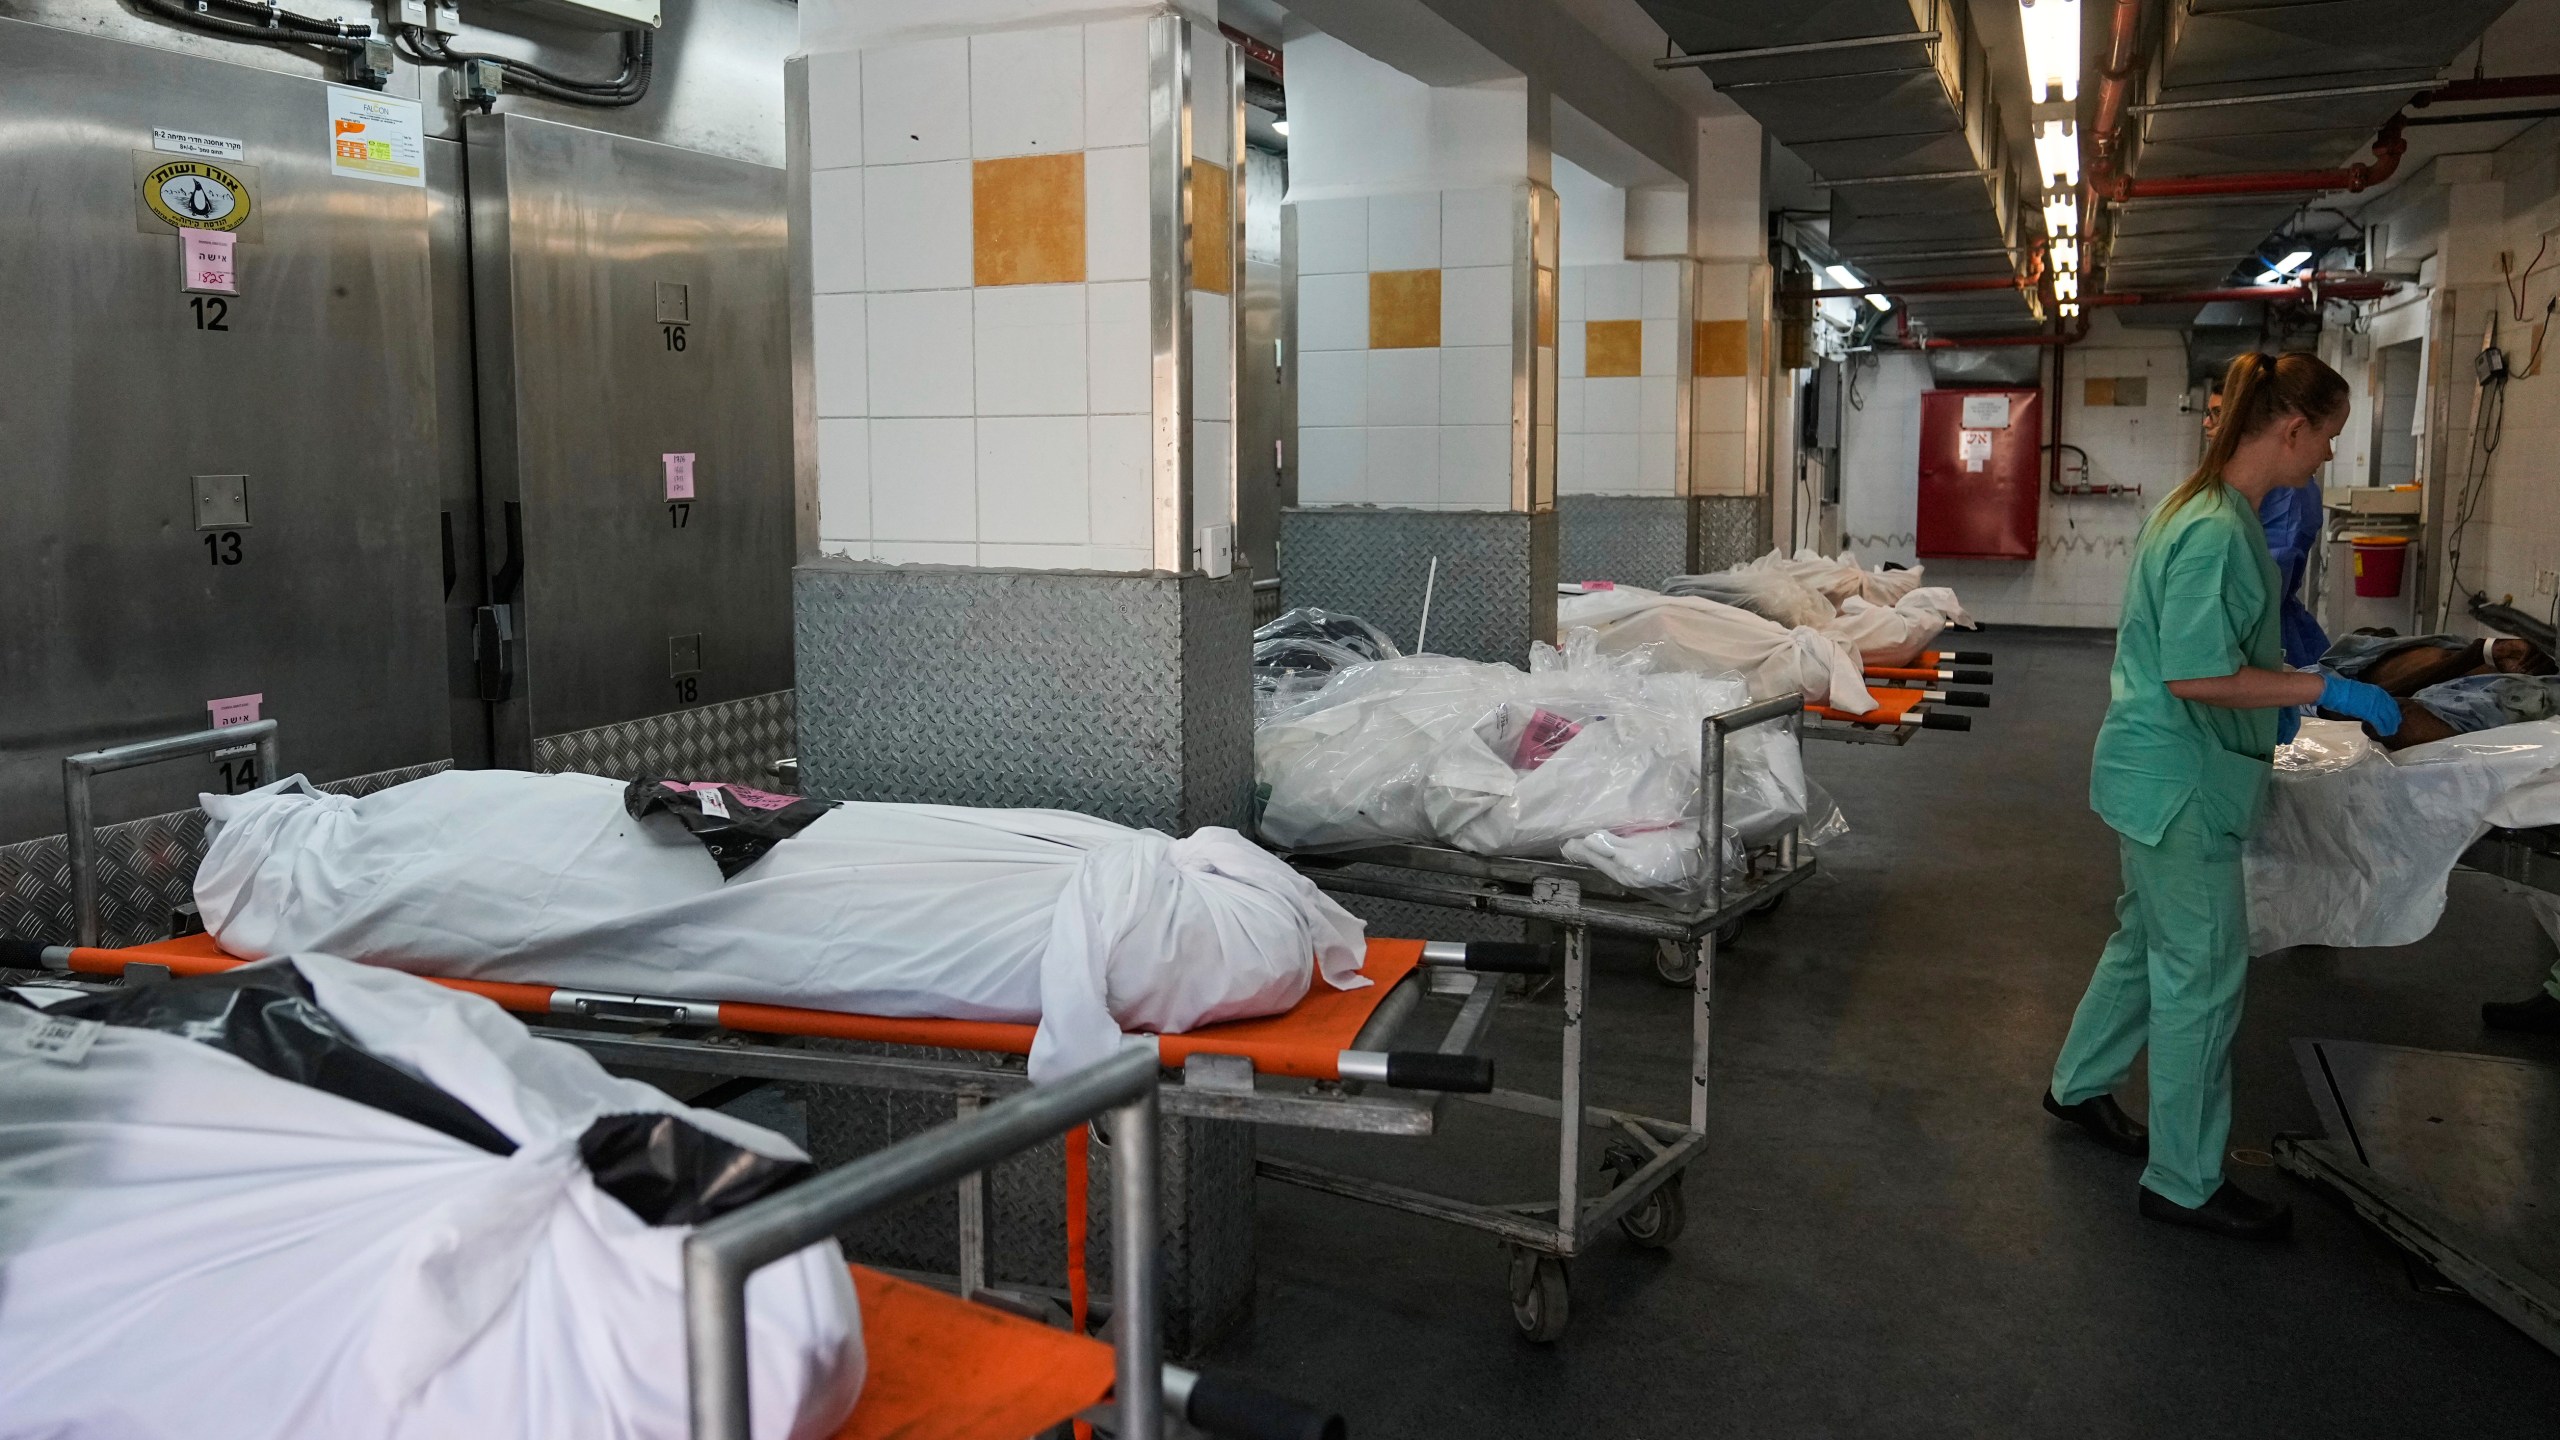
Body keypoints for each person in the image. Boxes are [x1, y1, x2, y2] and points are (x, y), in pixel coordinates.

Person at [2041, 351, 2400, 1240]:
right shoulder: (2213, 528)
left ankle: (2078, 1085)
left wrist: (2270, 698)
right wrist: (2317, 693)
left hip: (2161, 771)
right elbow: (2200, 674)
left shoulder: (2202, 508)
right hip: (2182, 783)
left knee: (2143, 943)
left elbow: (2207, 654)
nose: (2325, 460)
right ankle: (2185, 1181)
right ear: (2290, 429)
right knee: (2200, 978)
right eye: (2326, 440)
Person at [2207, 379, 2331, 667]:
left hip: (2266, 635)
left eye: (2216, 413)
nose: (2328, 454)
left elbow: (2268, 584)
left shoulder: (2288, 494)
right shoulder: (2213, 510)